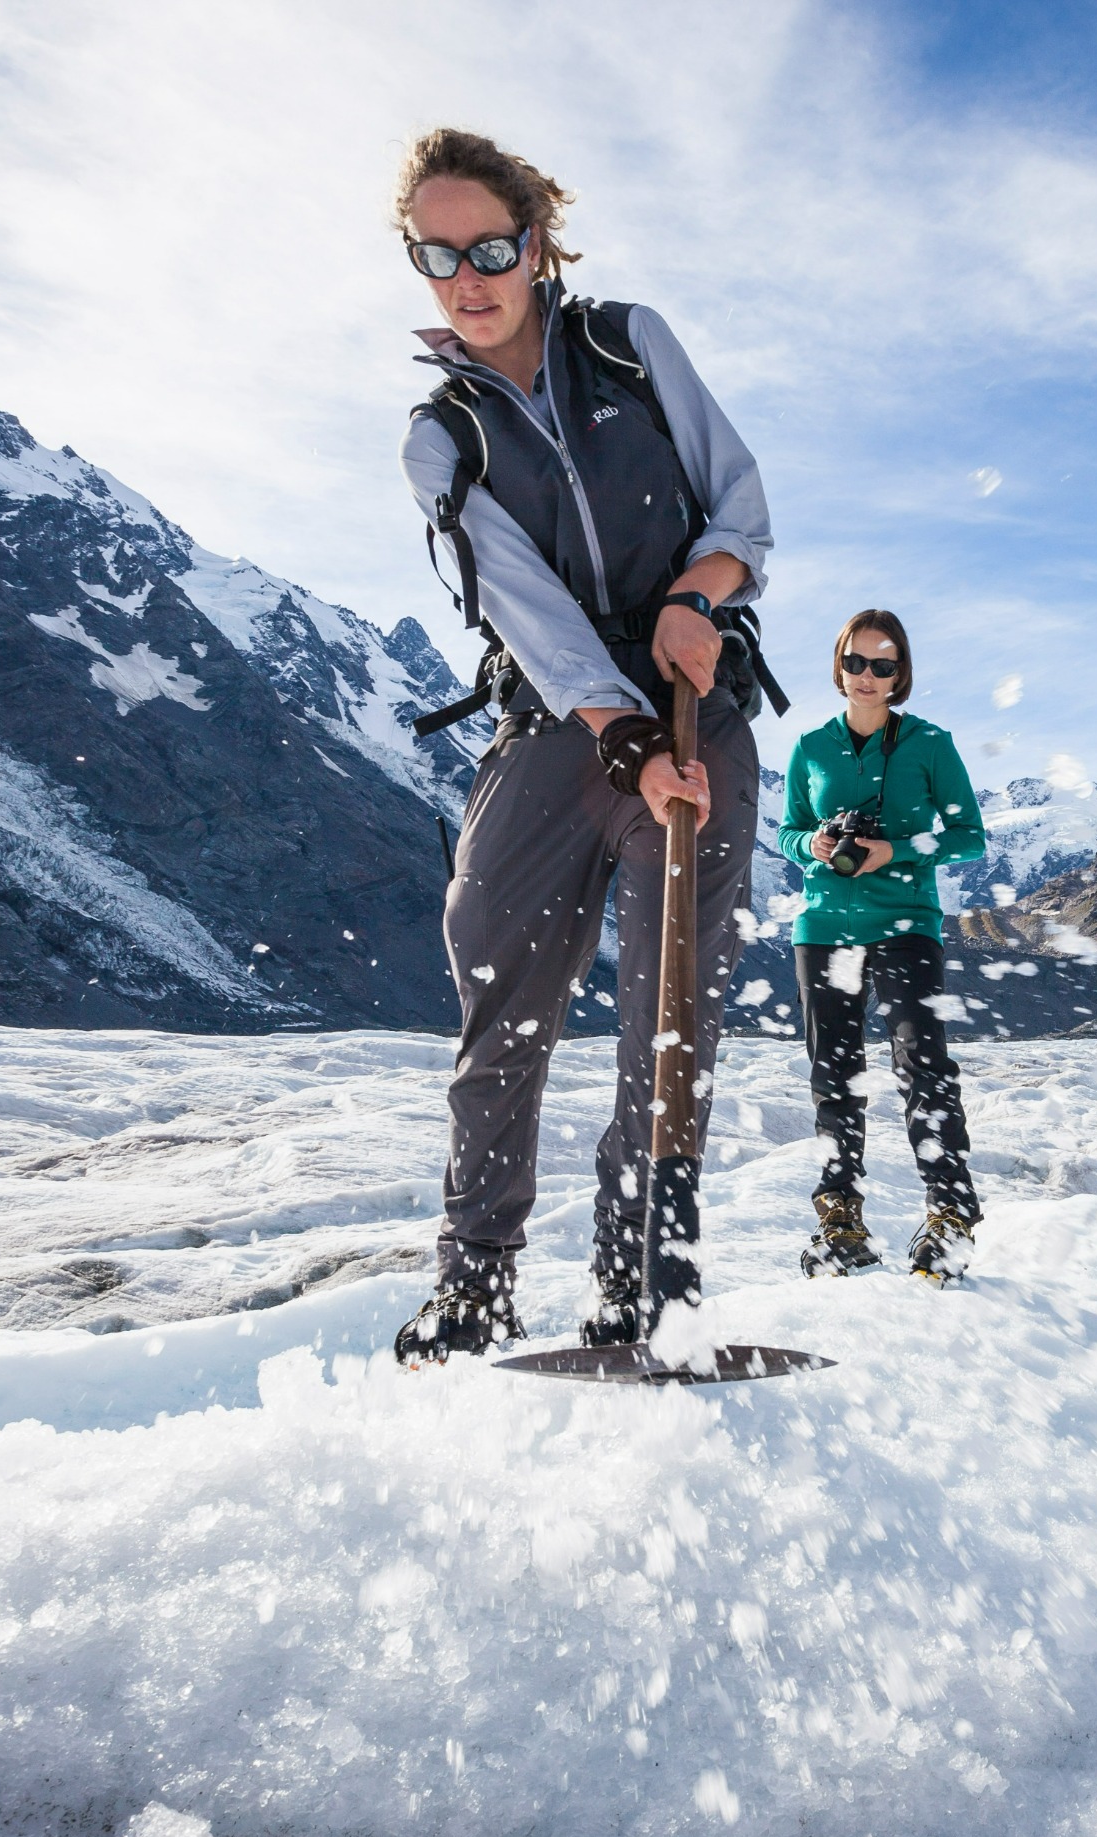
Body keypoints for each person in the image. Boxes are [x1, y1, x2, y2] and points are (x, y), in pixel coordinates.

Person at [387, 128, 773, 1361]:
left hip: (697, 702)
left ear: (536, 240)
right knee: (500, 1005)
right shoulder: (442, 436)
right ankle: (475, 1284)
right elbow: (531, 614)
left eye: (489, 248)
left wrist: (697, 597)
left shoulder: (629, 345)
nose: (468, 277)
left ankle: (645, 1276)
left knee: (671, 1019)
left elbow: (742, 508)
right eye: (437, 254)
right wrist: (622, 741)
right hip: (560, 730)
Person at [775, 612, 989, 1281]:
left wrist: (894, 851)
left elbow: (969, 837)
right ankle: (839, 1219)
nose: (866, 676)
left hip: (906, 925)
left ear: (902, 674)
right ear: (838, 666)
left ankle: (950, 1214)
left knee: (923, 1066)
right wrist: (811, 844)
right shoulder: (809, 746)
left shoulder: (930, 744)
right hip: (823, 928)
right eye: (855, 662)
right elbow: (786, 832)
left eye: (882, 665)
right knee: (833, 1077)